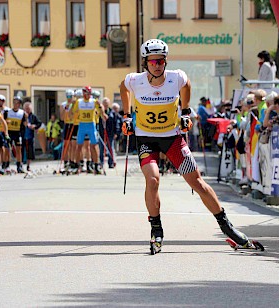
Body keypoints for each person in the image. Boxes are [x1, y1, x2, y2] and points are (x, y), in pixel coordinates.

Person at [119, 38, 262, 254]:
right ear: (145, 63)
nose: (156, 65)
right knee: (153, 180)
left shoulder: (176, 78)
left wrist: (185, 111)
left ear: (165, 62)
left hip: (173, 138)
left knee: (197, 183)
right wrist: (127, 116)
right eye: (152, 61)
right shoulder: (135, 80)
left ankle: (228, 227)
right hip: (146, 139)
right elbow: (123, 87)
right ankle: (156, 229)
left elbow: (187, 85)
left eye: (160, 61)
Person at [70, 86, 107, 174]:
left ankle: (96, 165)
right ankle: (77, 165)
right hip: (82, 124)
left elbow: (101, 111)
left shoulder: (93, 101)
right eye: (85, 93)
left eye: (88, 93)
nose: (87, 95)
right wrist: (73, 104)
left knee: (94, 146)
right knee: (79, 146)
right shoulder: (79, 102)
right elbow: (72, 112)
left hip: (91, 124)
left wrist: (102, 112)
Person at [5, 96, 26, 173]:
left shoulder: (22, 113)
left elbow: (24, 123)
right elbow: (4, 122)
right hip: (10, 132)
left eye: (17, 103)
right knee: (7, 149)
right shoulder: (8, 112)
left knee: (18, 149)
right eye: (14, 102)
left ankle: (19, 165)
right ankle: (6, 165)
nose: (15, 104)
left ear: (19, 104)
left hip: (18, 132)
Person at [23, 102, 42, 171]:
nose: (27, 110)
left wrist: (34, 126)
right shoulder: (21, 115)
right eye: (26, 109)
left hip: (30, 136)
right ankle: (20, 165)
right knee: (21, 151)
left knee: (29, 152)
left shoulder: (33, 116)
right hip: (22, 136)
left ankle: (28, 165)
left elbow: (39, 123)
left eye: (29, 109)